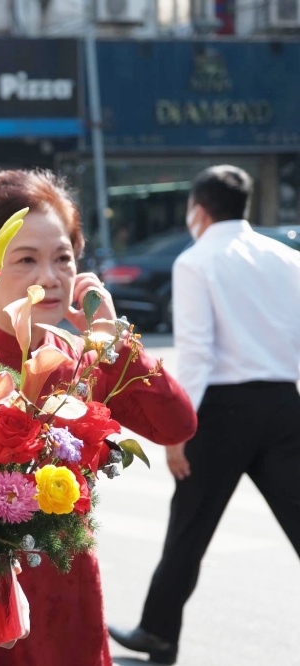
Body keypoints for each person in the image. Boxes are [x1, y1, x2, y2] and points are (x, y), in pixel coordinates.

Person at [0, 169, 198, 666]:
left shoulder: (87, 360)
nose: (49, 277)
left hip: (70, 602)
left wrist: (113, 337)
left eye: (63, 258)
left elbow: (177, 424)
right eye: (27, 259)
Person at [108, 165, 300, 664]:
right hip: (283, 404)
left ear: (199, 209)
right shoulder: (285, 257)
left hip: (220, 411)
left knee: (190, 525)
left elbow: (196, 354)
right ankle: (155, 630)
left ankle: (158, 633)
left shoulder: (196, 261)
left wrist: (177, 430)